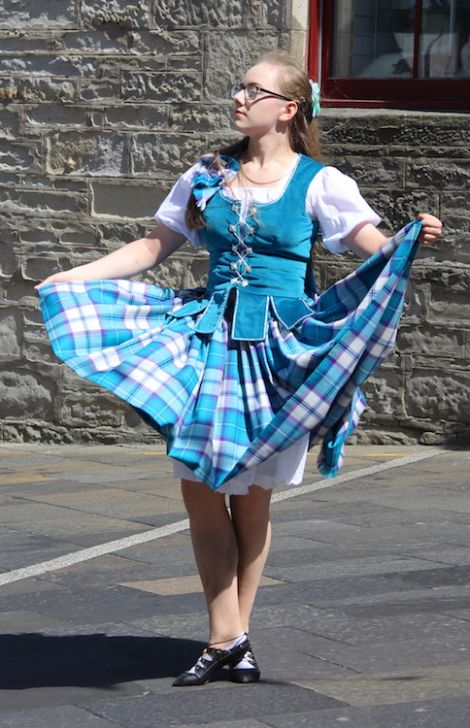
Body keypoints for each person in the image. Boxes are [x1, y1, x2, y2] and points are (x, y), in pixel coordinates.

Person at [36, 50, 442, 687]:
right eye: (238, 86)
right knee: (199, 485)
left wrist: (410, 236)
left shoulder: (321, 182)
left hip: (277, 350)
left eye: (254, 89)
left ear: (288, 109)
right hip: (209, 340)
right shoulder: (207, 175)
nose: (239, 97)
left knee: (252, 500)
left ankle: (232, 637)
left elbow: (371, 249)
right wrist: (74, 275)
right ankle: (226, 634)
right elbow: (153, 245)